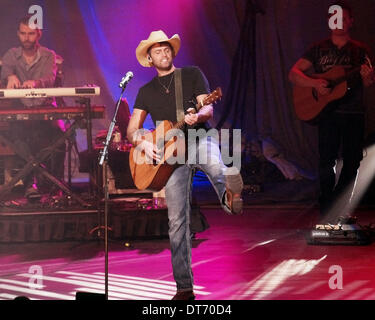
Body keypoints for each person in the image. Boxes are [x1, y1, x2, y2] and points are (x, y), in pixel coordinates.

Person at [127, 30, 244, 300]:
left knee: (218, 171)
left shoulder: (191, 74)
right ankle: (184, 287)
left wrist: (198, 115)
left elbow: (208, 108)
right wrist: (142, 143)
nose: (164, 53)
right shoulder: (145, 92)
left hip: (199, 139)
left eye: (167, 49)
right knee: (176, 222)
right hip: (170, 158)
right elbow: (133, 128)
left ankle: (232, 199)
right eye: (157, 51)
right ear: (149, 58)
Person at [289, 2, 374, 221]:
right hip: (328, 114)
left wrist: (367, 77)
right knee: (326, 161)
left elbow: (368, 83)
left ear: (351, 22)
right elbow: (294, 73)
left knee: (352, 161)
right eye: (335, 18)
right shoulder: (318, 48)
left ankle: (341, 205)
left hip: (354, 113)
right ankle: (327, 206)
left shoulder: (360, 50)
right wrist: (314, 84)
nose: (339, 22)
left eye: (344, 19)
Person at [0, 15, 65, 199]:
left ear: (38, 34)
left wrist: (35, 83)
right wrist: (10, 76)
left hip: (46, 110)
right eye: (22, 33)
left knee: (60, 138)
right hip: (22, 114)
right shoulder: (11, 54)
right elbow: (5, 70)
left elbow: (50, 79)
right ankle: (31, 183)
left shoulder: (49, 55)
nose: (26, 38)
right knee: (19, 138)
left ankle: (56, 186)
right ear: (18, 34)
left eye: (30, 34)